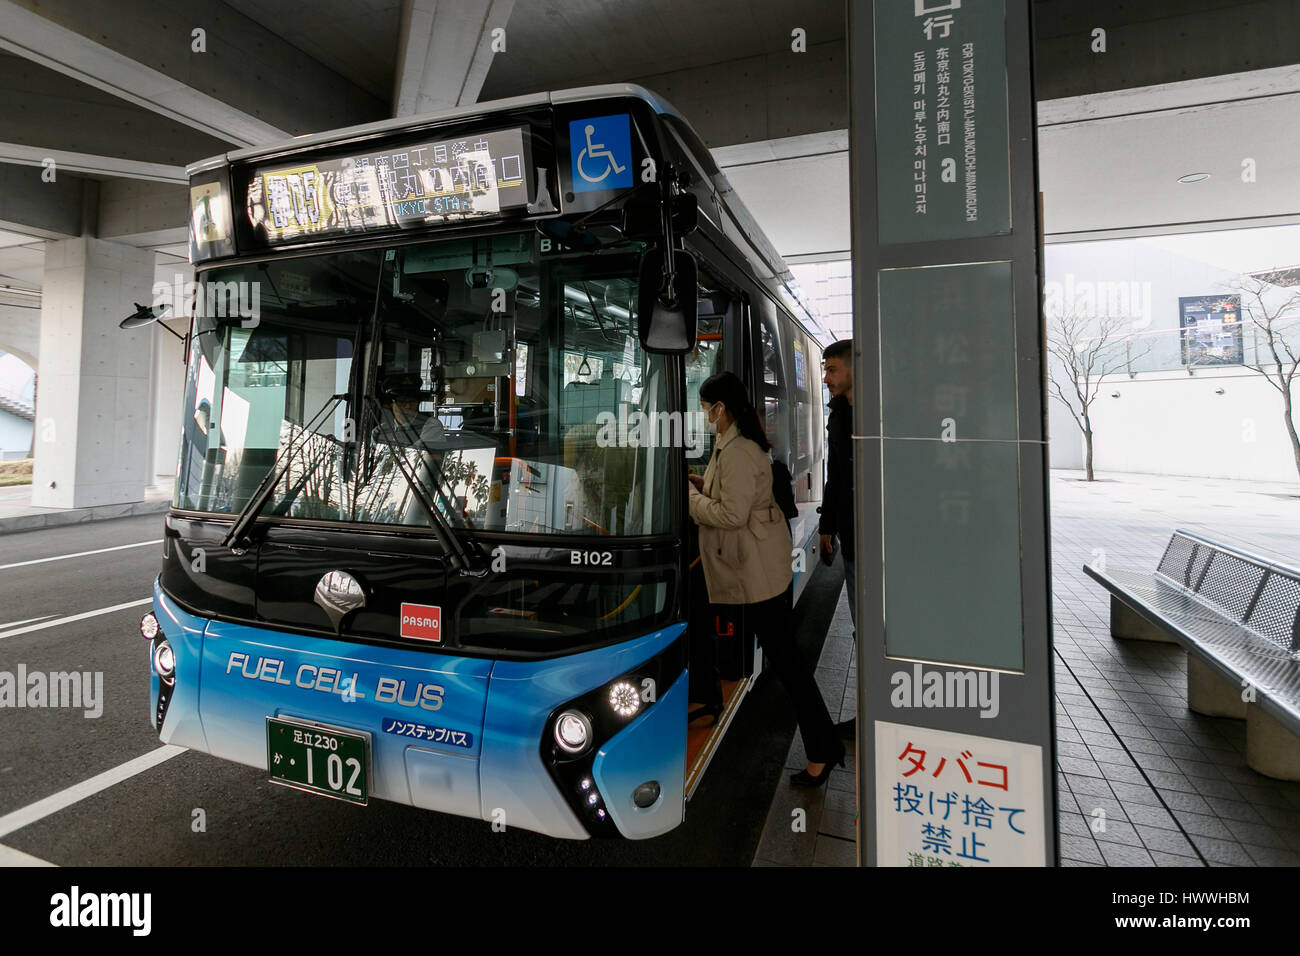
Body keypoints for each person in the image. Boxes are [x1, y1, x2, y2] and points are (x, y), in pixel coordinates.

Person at [688, 371, 844, 787]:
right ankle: (708, 696)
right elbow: (737, 497)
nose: (705, 416)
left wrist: (692, 499)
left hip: (755, 572)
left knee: (789, 664)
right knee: (778, 654)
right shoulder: (734, 444)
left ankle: (824, 751)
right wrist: (704, 485)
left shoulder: (737, 450)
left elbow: (731, 515)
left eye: (707, 408)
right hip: (756, 566)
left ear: (722, 408)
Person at [818, 339, 857, 741]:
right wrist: (828, 526)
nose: (826, 378)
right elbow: (837, 478)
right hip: (851, 532)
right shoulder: (839, 414)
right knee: (862, 625)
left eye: (831, 370)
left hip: (874, 535)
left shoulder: (875, 413)